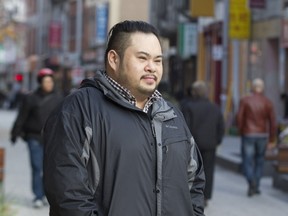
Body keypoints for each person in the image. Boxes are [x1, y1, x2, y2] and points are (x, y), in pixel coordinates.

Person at [43, 20, 205, 216]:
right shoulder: (78, 110)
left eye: (158, 60)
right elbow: (68, 198)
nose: (152, 67)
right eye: (142, 58)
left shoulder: (171, 115)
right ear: (113, 59)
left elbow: (194, 182)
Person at [10, 68, 63, 208]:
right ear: (40, 82)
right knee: (36, 166)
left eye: (50, 81)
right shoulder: (31, 98)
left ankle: (47, 195)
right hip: (34, 137)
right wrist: (15, 133)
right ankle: (38, 196)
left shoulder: (59, 98)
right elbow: (22, 116)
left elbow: (65, 119)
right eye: (46, 81)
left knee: (50, 168)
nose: (48, 84)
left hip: (52, 138)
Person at [180, 81, 224, 207]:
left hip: (194, 144)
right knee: (208, 170)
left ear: (194, 92)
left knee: (191, 170)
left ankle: (192, 195)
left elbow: (185, 126)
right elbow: (221, 126)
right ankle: (206, 196)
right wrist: (217, 141)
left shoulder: (188, 106)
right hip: (210, 144)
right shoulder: (214, 107)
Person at [236, 78, 276, 197]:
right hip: (262, 135)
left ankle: (251, 181)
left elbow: (239, 117)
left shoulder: (245, 100)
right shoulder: (267, 102)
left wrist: (241, 131)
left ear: (253, 88)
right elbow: (272, 122)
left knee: (247, 161)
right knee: (259, 161)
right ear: (262, 88)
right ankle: (256, 184)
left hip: (248, 134)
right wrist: (272, 139)